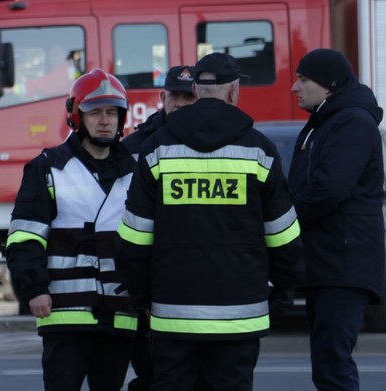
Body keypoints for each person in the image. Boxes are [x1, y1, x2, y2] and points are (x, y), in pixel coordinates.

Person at [116, 52, 304, 390]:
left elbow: (134, 235)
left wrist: (142, 295)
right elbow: (284, 235)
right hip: (240, 312)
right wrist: (280, 290)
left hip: (172, 311)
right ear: (234, 92)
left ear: (196, 91)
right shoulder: (259, 149)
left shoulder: (157, 148)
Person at [5, 68, 138, 391]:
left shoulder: (136, 172)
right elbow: (25, 236)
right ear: (76, 116)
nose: (105, 120)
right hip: (64, 312)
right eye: (95, 113)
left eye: (112, 113)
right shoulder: (48, 168)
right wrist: (34, 289)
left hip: (120, 313)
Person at [288, 48, 385, 391]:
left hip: (344, 265)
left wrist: (283, 222)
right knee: (328, 365)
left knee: (333, 366)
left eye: (303, 79)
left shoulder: (351, 122)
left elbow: (328, 189)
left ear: (328, 85)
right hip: (329, 263)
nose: (294, 87)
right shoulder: (328, 120)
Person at [121, 64, 196, 391]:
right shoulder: (135, 146)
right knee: (151, 372)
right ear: (162, 97)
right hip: (147, 281)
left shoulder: (211, 143)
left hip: (193, 280)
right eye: (174, 96)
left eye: (187, 97)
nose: (179, 103)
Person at [122, 65, 196, 160]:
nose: (180, 103)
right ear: (164, 98)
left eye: (189, 96)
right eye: (174, 95)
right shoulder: (132, 146)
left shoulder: (218, 139)